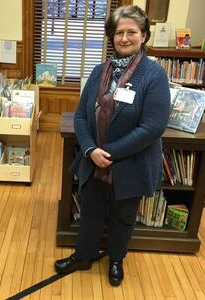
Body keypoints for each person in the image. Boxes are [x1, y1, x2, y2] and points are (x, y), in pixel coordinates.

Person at [54, 5, 171, 286]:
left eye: (132, 32)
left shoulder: (154, 75)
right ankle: (83, 255)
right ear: (112, 36)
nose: (125, 38)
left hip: (131, 162)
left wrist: (110, 153)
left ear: (143, 35)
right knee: (90, 209)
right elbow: (81, 115)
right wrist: (90, 150)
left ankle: (116, 259)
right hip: (93, 158)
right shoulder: (99, 71)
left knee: (123, 215)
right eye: (119, 32)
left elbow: (153, 127)